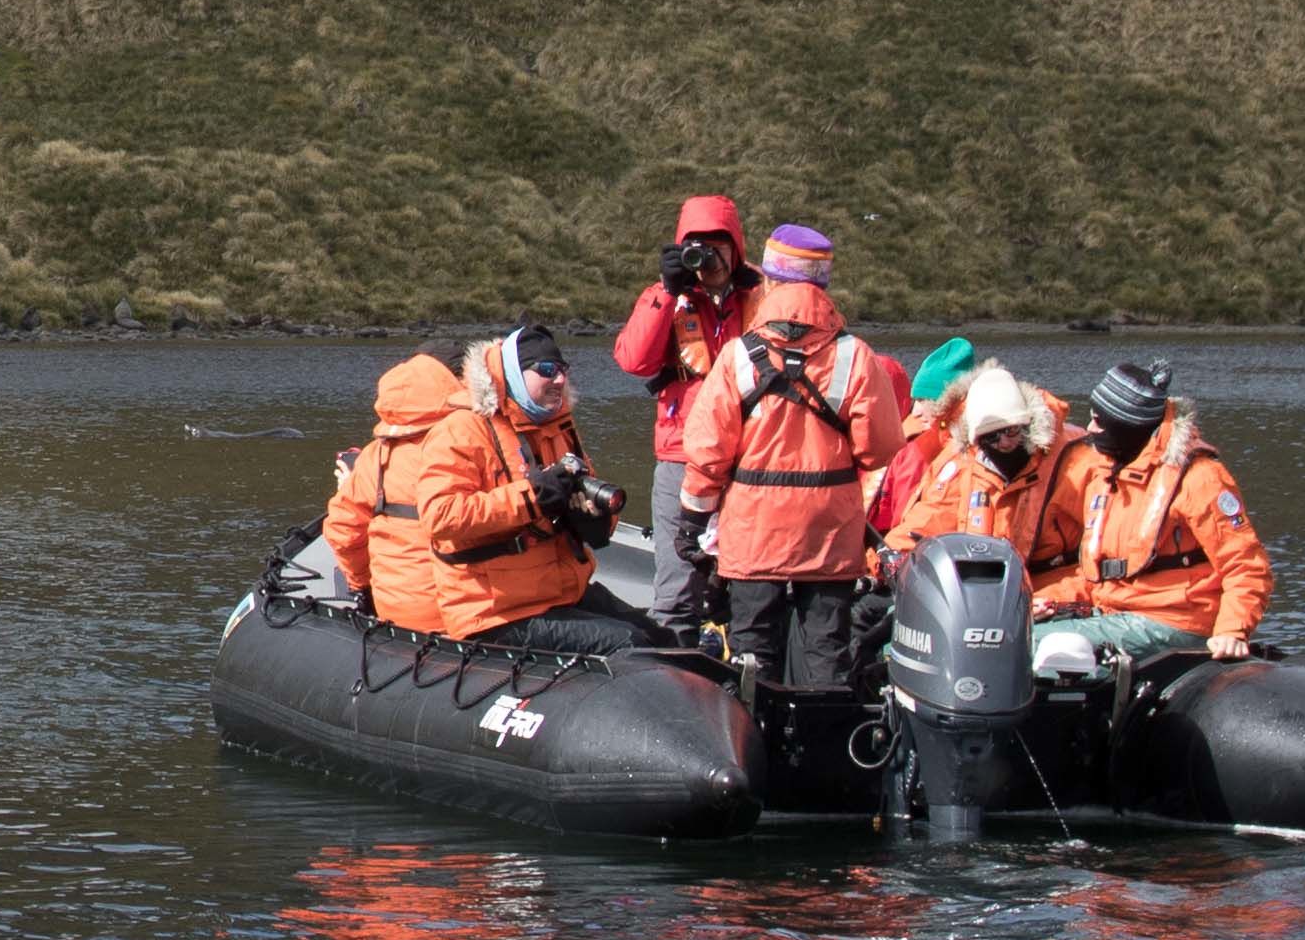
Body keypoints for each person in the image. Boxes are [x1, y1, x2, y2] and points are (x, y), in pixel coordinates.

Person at [674, 223, 910, 690]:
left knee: (752, 656)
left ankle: (754, 730)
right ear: (822, 284)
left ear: (770, 280)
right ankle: (824, 731)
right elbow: (879, 448)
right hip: (829, 534)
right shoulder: (856, 357)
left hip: (754, 534)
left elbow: (707, 455)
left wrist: (690, 524)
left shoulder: (738, 356)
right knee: (827, 652)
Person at [317, 332, 624, 643]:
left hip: (406, 609)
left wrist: (362, 588)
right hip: (467, 608)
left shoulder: (377, 455)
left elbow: (344, 531)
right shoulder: (478, 436)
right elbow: (453, 516)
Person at [1046, 361, 1274, 658]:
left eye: (1099, 421)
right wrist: (1047, 600)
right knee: (1009, 633)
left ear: (1127, 426)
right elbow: (1099, 574)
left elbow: (1245, 565)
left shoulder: (1199, 477)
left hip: (1175, 621)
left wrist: (1232, 631)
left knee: (1030, 645)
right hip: (1116, 611)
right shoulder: (1106, 472)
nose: (1090, 429)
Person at [610, 193, 752, 633]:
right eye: (698, 247)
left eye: (718, 246)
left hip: (749, 458)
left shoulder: (761, 297)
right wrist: (666, 292)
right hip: (681, 456)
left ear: (736, 248)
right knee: (677, 590)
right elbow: (633, 360)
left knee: (752, 584)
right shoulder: (667, 298)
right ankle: (676, 662)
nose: (709, 259)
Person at [886, 360, 1080, 583]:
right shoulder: (963, 464)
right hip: (981, 585)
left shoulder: (1067, 459)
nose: (1004, 442)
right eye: (992, 436)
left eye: (1011, 430)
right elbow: (930, 519)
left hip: (1050, 583)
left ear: (1026, 424)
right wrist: (887, 557)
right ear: (976, 439)